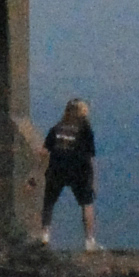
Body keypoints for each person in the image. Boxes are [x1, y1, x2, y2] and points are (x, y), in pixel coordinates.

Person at [39, 96, 100, 250]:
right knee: (87, 204)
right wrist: (93, 180)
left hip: (56, 169)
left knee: (49, 202)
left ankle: (45, 235)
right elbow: (90, 156)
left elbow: (44, 151)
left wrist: (40, 171)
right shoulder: (85, 131)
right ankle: (89, 241)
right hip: (79, 170)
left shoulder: (56, 129)